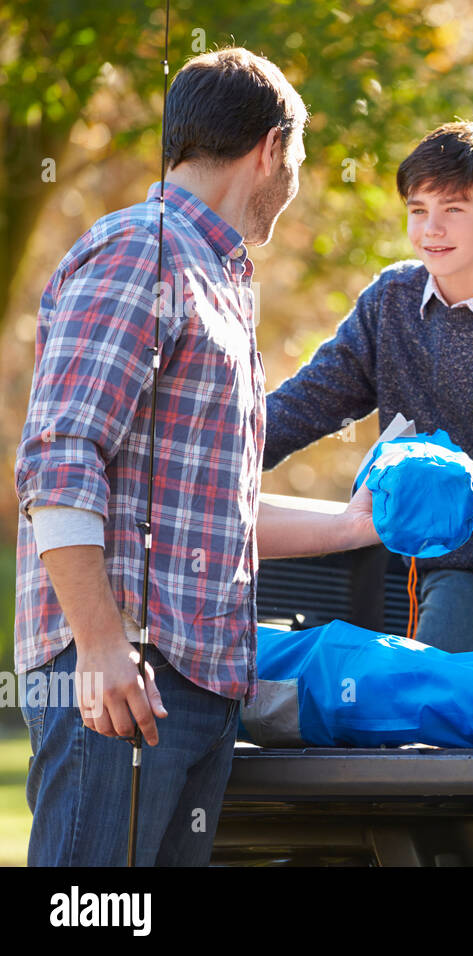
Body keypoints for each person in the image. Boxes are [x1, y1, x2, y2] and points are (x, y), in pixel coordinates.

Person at [14, 48, 379, 867]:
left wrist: (358, 524)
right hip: (120, 678)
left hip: (193, 681)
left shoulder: (216, 276)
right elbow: (58, 460)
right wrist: (104, 648)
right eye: (301, 159)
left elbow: (218, 514)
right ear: (271, 147)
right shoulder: (141, 252)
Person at [263, 121, 473, 654]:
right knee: (437, 704)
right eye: (418, 210)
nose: (431, 229)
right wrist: (211, 457)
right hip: (455, 566)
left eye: (453, 210)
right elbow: (307, 403)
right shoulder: (390, 300)